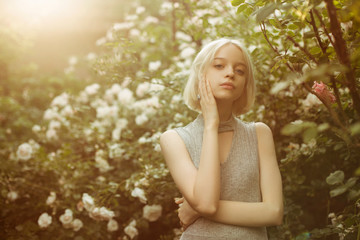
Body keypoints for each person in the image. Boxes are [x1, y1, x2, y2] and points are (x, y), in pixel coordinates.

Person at [160, 38, 283, 240]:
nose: (230, 73)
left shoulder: (260, 134)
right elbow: (207, 203)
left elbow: (274, 212)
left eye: (240, 70)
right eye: (219, 65)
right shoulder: (175, 139)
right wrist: (211, 125)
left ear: (244, 84)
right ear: (201, 75)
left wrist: (195, 209)